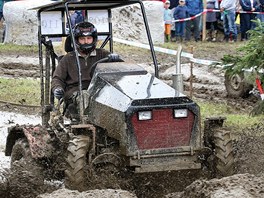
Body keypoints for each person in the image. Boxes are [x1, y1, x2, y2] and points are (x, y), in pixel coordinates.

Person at [51, 22, 110, 118]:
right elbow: (57, 78)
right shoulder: (68, 58)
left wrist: (115, 59)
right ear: (76, 40)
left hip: (99, 90)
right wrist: (57, 88)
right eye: (82, 39)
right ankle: (85, 121)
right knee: (86, 96)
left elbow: (121, 71)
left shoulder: (103, 55)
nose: (86, 42)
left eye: (89, 38)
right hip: (76, 93)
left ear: (94, 39)